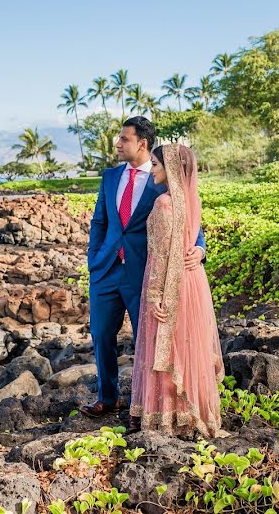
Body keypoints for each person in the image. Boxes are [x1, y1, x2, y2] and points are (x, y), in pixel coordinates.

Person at [79, 118, 207, 418]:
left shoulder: (162, 177)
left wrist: (199, 248)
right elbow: (100, 221)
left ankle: (148, 405)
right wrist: (93, 258)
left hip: (144, 274)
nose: (118, 143)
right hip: (105, 270)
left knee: (147, 340)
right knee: (100, 334)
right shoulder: (110, 176)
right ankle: (107, 398)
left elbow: (186, 212)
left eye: (124, 139)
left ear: (142, 144)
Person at [128, 143, 225, 438]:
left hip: (171, 280)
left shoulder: (164, 204)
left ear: (170, 168)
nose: (152, 169)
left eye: (156, 164)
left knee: (166, 344)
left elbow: (159, 254)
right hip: (193, 282)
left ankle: (166, 416)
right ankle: (191, 410)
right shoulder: (189, 200)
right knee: (186, 343)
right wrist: (197, 250)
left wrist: (155, 295)